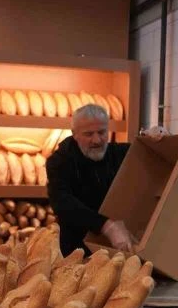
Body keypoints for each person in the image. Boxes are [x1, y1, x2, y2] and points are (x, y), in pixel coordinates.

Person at [46, 104, 137, 256]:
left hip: (115, 250)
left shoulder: (119, 153)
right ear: (74, 134)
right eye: (88, 134)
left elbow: (146, 152)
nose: (97, 140)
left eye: (102, 132)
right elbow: (62, 202)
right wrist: (108, 227)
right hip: (75, 251)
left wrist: (155, 137)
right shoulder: (59, 161)